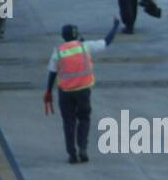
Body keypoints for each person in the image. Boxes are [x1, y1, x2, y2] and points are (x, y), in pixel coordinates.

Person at [43, 20, 118, 163]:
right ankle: (83, 148)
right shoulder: (85, 46)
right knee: (84, 119)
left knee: (68, 122)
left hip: (65, 92)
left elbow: (52, 73)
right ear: (76, 34)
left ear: (63, 36)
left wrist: (48, 92)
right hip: (83, 91)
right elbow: (106, 42)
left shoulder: (58, 51)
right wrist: (115, 26)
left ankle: (72, 154)